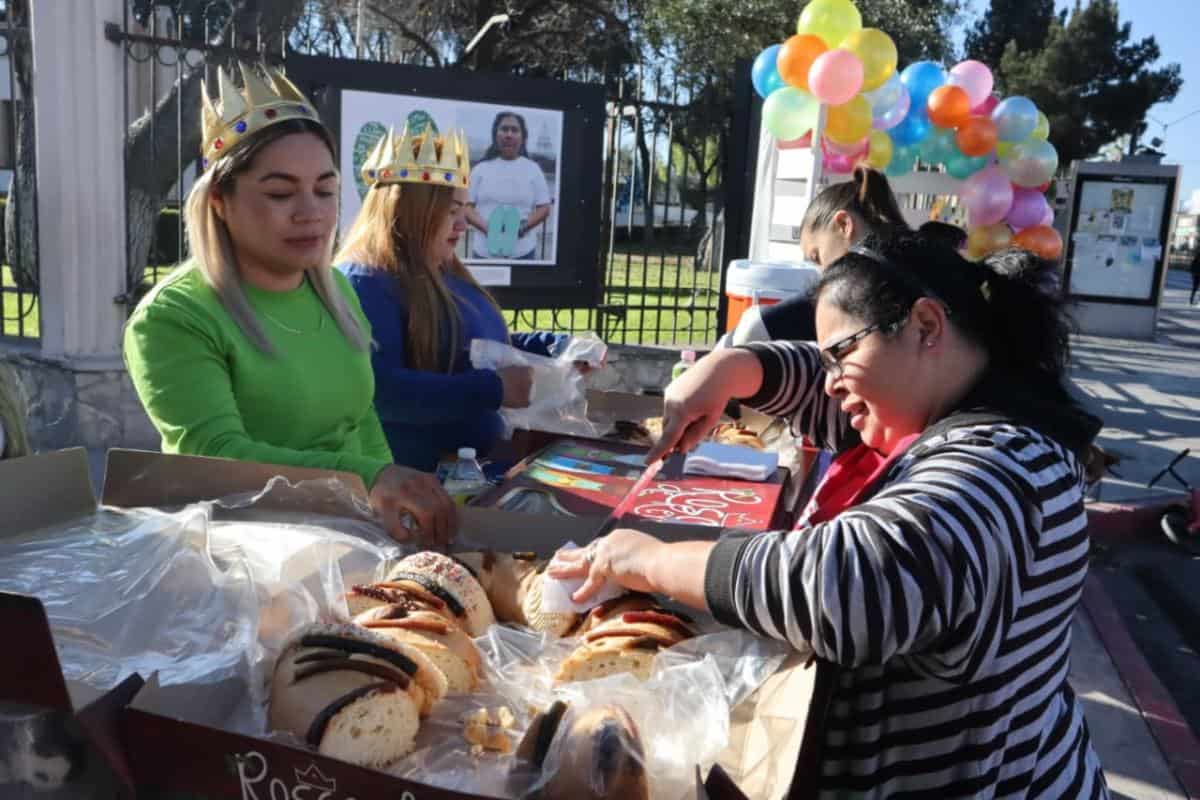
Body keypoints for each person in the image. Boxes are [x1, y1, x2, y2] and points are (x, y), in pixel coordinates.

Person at [551, 235, 1108, 797]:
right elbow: (815, 388)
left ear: (926, 326)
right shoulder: (935, 405)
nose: (830, 382)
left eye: (840, 355)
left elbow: (850, 582)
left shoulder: (1007, 468)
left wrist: (649, 559)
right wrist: (730, 367)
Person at [123, 63, 455, 543]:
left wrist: (390, 500)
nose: (311, 213)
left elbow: (360, 421)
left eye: (325, 190)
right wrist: (368, 479)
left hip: (350, 542)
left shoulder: (337, 290)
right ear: (219, 199)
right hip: (234, 558)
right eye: (280, 193)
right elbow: (215, 457)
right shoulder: (174, 317)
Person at [336, 125, 567, 473]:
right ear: (409, 210)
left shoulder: (443, 270)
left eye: (463, 209)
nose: (463, 224)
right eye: (450, 210)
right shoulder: (365, 282)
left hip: (467, 476)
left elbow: (466, 347)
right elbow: (378, 392)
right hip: (415, 484)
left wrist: (554, 346)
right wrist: (492, 389)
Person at [725, 166, 909, 345]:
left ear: (844, 225)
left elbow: (755, 328)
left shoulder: (864, 284)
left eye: (817, 257)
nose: (821, 272)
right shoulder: (915, 261)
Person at [464, 112, 553, 260]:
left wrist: (521, 229)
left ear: (523, 136)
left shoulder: (533, 169)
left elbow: (544, 208)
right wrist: (488, 229)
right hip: (483, 254)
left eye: (515, 130)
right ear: (495, 134)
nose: (509, 135)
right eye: (504, 129)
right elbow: (467, 207)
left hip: (523, 254)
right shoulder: (480, 169)